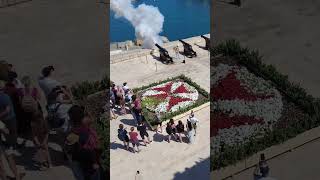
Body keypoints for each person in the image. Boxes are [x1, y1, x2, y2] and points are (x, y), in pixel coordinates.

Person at [0, 80, 23, 180]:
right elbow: (5, 130)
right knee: (9, 156)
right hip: (3, 138)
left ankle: (4, 178)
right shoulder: (5, 97)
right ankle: (17, 176)